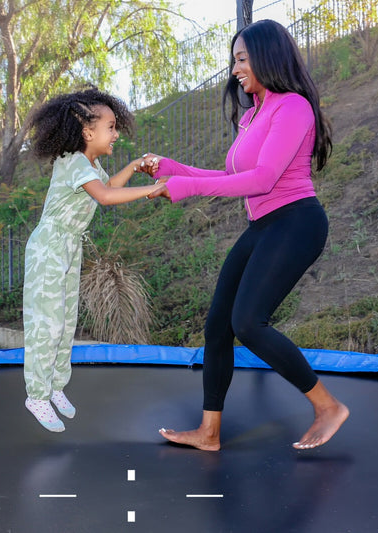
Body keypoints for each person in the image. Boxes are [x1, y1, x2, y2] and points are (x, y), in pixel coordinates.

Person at [145, 19, 349, 450]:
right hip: (264, 226)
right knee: (218, 326)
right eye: (234, 60)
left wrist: (187, 188)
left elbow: (263, 178)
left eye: (241, 59)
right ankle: (209, 433)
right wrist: (171, 169)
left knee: (248, 322)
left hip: (296, 222)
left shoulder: (293, 107)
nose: (235, 69)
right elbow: (229, 176)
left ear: (266, 57)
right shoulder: (254, 114)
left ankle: (327, 406)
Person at [23, 87, 164, 432]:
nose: (116, 134)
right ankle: (36, 395)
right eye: (111, 127)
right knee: (46, 322)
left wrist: (133, 167)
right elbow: (105, 196)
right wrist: (153, 188)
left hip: (70, 246)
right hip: (49, 247)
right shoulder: (72, 162)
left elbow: (109, 185)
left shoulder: (90, 165)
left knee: (65, 320)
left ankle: (55, 387)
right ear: (88, 132)